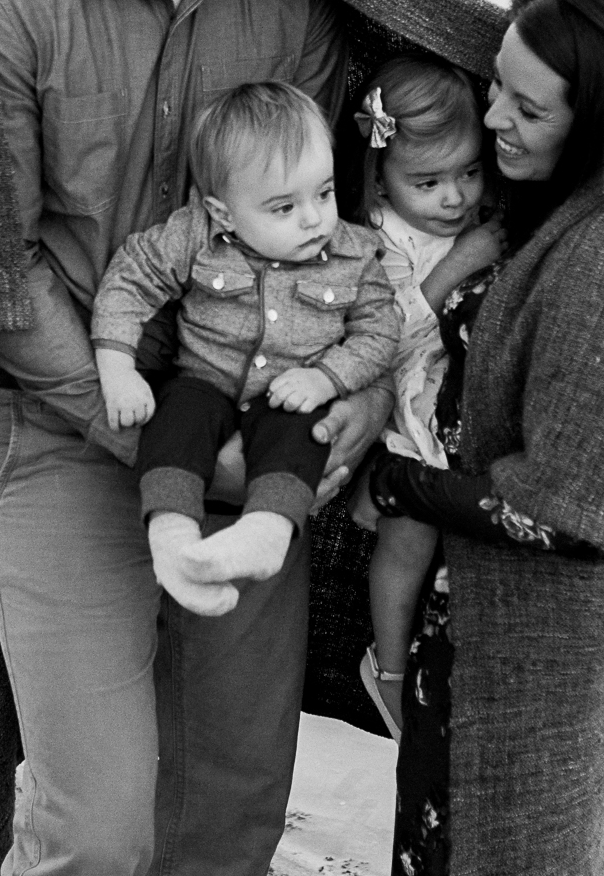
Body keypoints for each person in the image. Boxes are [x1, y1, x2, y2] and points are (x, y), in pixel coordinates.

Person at [0, 0, 394, 876]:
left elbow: (322, 228)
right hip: (58, 425)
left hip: (252, 431)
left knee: (229, 815)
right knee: (98, 832)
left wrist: (360, 385)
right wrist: (141, 429)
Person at [367, 0, 604, 876]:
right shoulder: (590, 171)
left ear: (595, 114)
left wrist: (397, 484)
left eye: (525, 110)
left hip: (526, 628)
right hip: (471, 601)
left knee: (506, 841)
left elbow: (564, 508)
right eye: (495, 89)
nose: (491, 122)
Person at [91, 81, 401, 610]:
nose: (314, 218)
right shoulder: (195, 234)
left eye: (323, 193)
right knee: (176, 415)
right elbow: (131, 279)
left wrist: (326, 378)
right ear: (224, 212)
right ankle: (173, 542)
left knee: (303, 428)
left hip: (291, 389)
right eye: (283, 207)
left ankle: (267, 532)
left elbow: (380, 333)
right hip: (204, 382)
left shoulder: (356, 257)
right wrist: (117, 366)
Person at [345, 57, 504, 740]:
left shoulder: (480, 213)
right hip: (407, 398)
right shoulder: (375, 238)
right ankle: (383, 663)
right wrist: (459, 263)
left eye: (469, 172)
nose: (453, 198)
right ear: (378, 172)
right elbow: (386, 337)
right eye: (428, 181)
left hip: (463, 397)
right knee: (408, 540)